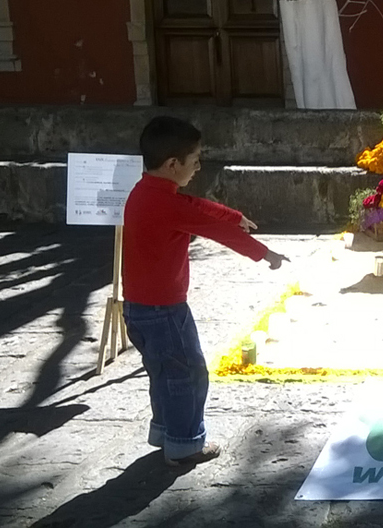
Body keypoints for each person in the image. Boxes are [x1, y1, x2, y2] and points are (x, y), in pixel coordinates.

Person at [122, 116, 287, 466]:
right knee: (188, 375)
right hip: (164, 311)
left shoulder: (145, 192)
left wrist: (232, 215)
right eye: (194, 161)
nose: (198, 167)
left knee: (163, 374)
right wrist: (265, 253)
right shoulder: (165, 204)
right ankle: (184, 444)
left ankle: (165, 431)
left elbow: (195, 208)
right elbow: (215, 231)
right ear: (172, 164)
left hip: (138, 308)